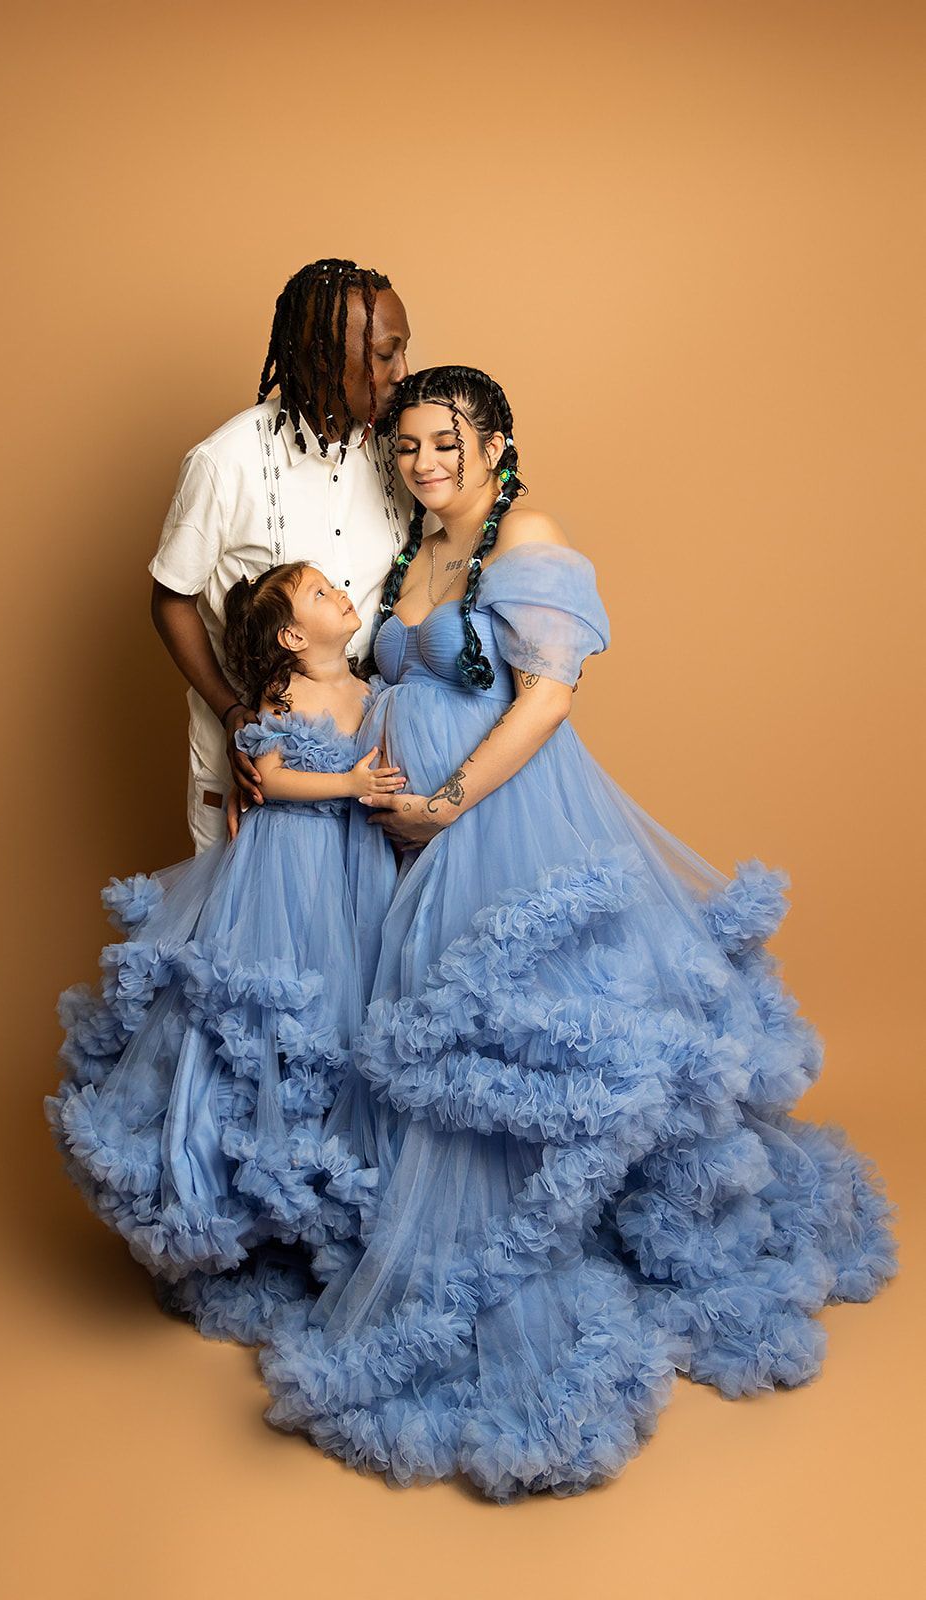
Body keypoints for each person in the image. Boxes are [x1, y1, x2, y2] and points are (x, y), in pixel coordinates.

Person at [249, 366, 897, 1502]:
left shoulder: (528, 535)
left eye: (443, 441)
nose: (421, 463)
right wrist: (311, 774)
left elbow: (545, 699)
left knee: (512, 1041)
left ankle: (510, 1250)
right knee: (423, 1028)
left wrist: (445, 805)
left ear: (494, 440)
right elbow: (362, 690)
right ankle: (421, 1225)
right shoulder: (412, 561)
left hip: (501, 820)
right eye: (403, 447)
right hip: (405, 835)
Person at [45, 562, 402, 1304]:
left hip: (351, 868)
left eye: (335, 585)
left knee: (346, 1011)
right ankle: (226, 1193)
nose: (341, 593)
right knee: (261, 1015)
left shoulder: (369, 693)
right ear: (294, 636)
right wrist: (348, 785)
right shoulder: (284, 692)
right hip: (287, 867)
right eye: (319, 593)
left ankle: (324, 1204)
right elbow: (268, 777)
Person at [148, 257, 419, 853]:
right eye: (384, 355)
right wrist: (230, 711)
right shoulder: (224, 463)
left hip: (368, 774)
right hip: (263, 779)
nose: (404, 372)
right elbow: (171, 600)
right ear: (324, 356)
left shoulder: (398, 456)